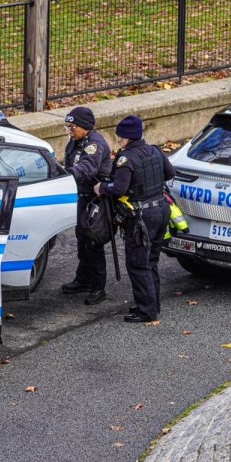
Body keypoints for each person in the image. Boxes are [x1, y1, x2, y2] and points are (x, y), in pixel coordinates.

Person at [94, 115, 174, 323]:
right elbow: (170, 173)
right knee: (152, 261)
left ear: (127, 138)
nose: (118, 140)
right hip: (161, 210)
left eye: (120, 137)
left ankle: (146, 311)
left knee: (139, 264)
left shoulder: (126, 159)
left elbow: (118, 188)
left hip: (141, 219)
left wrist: (102, 187)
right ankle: (152, 303)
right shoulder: (156, 151)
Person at [61, 106, 113, 305]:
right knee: (82, 238)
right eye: (68, 126)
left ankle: (98, 287)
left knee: (93, 241)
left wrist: (67, 175)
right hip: (82, 197)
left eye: (73, 126)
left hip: (96, 200)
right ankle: (83, 279)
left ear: (85, 127)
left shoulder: (94, 145)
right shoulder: (75, 141)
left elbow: (87, 168)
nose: (69, 130)